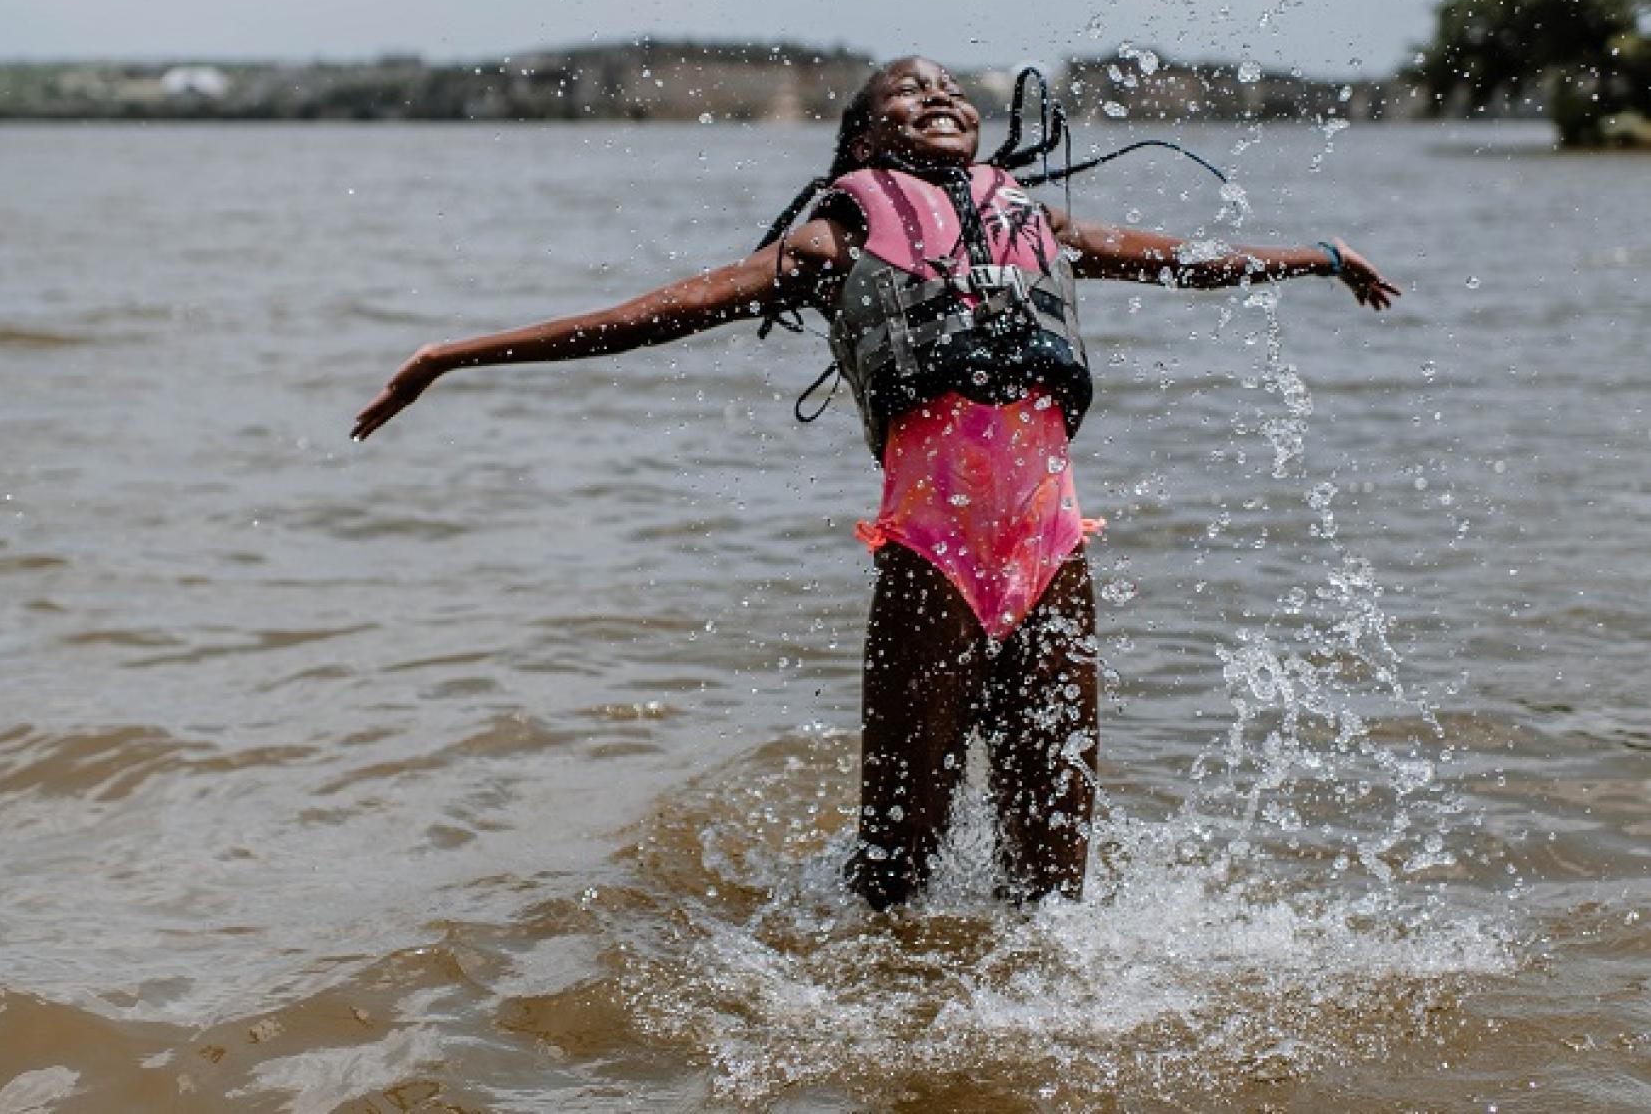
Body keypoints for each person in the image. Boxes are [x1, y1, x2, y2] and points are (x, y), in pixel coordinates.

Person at [351, 56, 1398, 910]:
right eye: (905, 91)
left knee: (1053, 881)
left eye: (950, 88)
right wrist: (456, 353)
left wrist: (1310, 256)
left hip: (1051, 553)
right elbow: (650, 313)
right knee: (895, 868)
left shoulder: (1035, 218)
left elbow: (1183, 257)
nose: (938, 96)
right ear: (860, 139)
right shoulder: (834, 235)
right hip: (929, 562)